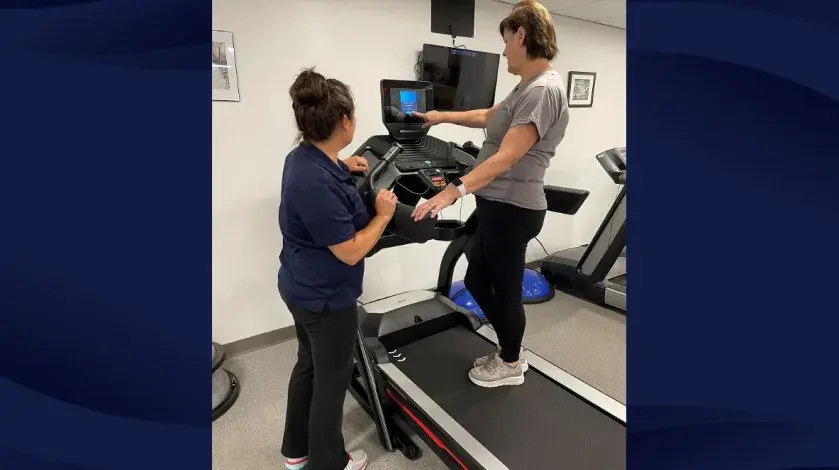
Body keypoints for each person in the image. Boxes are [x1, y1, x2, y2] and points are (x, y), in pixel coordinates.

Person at [411, 0, 568, 388]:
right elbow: (488, 117)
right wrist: (439, 116)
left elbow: (508, 156)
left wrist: (452, 191)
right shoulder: (527, 87)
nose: (503, 51)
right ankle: (509, 348)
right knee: (478, 279)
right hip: (495, 205)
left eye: (505, 41)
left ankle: (512, 362)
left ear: (521, 35)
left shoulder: (543, 91)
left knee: (505, 289)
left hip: (513, 210)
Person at [278, 67, 397, 470]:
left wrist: (344, 165)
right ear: (344, 121)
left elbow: (321, 180)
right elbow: (349, 251)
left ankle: (296, 452)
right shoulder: (317, 181)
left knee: (308, 365)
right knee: (332, 380)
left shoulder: (304, 158)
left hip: (298, 286)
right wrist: (382, 216)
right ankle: (328, 463)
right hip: (326, 298)